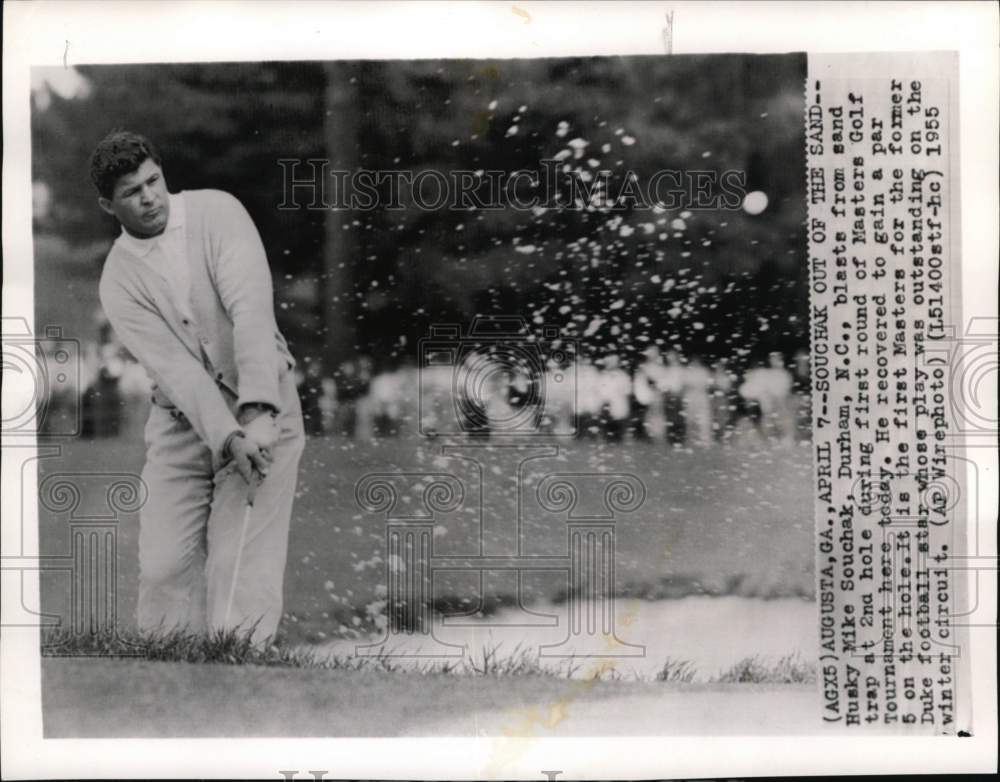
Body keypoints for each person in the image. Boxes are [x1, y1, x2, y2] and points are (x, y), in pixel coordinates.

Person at [93, 130, 305, 644]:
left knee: (237, 566)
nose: (148, 197)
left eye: (153, 181)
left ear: (163, 174)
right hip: (180, 421)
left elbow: (250, 309)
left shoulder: (219, 213)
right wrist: (227, 438)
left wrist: (257, 411)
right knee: (163, 565)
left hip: (265, 405)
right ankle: (162, 678)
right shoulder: (117, 281)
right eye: (131, 192)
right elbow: (178, 372)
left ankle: (238, 671)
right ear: (108, 205)